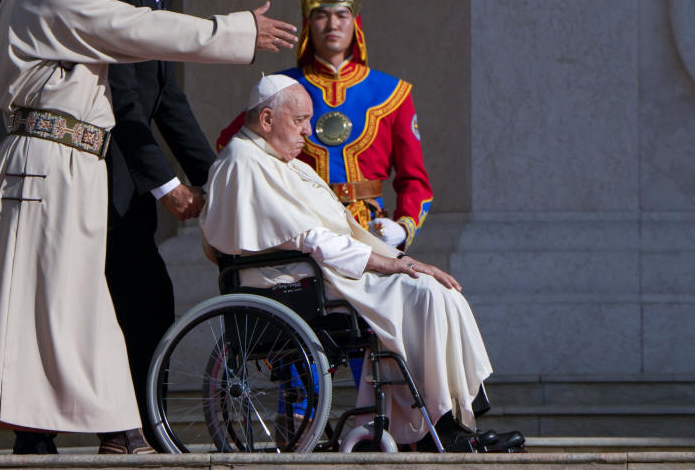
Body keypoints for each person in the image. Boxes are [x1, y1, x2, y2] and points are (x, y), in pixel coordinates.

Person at [0, 0, 297, 457]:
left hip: (60, 166)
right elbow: (138, 31)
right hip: (46, 165)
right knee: (58, 299)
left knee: (37, 299)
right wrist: (237, 30)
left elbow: (159, 90)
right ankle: (116, 432)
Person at [200, 75, 524, 452]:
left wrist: (405, 260)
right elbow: (309, 238)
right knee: (421, 296)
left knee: (437, 289)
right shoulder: (244, 160)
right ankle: (440, 427)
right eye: (300, 120)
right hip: (295, 279)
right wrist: (389, 266)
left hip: (319, 271)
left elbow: (344, 228)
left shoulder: (284, 161)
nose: (309, 130)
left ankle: (457, 417)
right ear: (268, 119)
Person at [94, 0, 225, 450]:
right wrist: (170, 187)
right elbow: (125, 102)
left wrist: (220, 178)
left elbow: (169, 103)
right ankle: (133, 429)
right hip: (101, 176)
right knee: (131, 299)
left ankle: (140, 427)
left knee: (144, 299)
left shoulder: (155, 0)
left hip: (129, 180)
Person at [217, 0, 432, 251]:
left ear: (355, 22)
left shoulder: (393, 93)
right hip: (303, 228)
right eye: (321, 15)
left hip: (370, 232)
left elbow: (415, 181)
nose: (332, 24)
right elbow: (231, 145)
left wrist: (403, 228)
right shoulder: (280, 88)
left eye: (341, 14)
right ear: (307, 24)